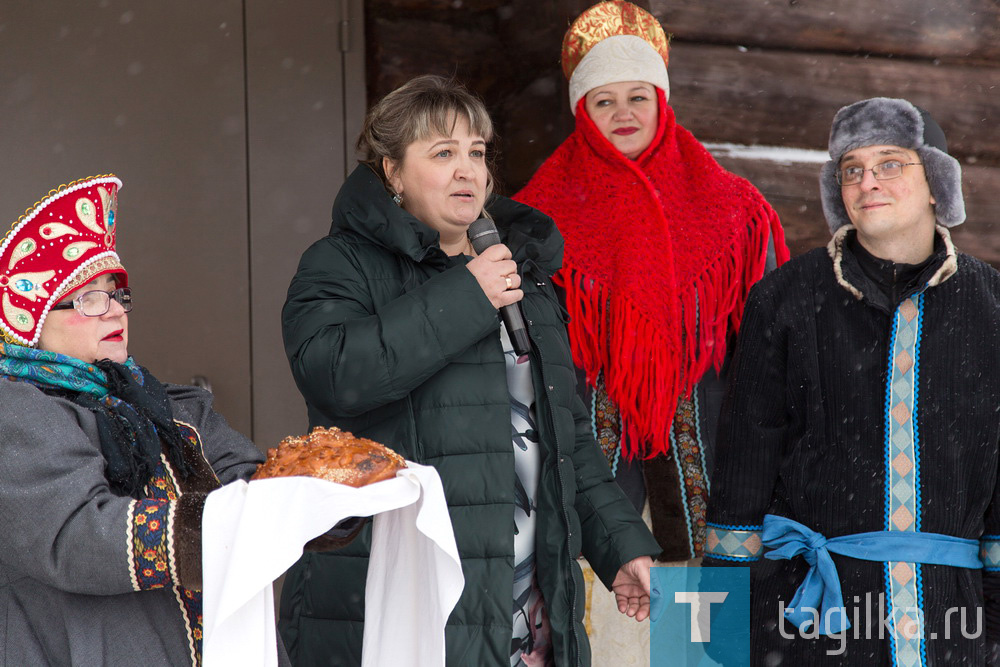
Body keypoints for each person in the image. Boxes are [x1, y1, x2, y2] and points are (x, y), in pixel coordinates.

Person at [279, 74, 660, 666]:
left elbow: (565, 436)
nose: (468, 171)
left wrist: (620, 545)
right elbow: (335, 375)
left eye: (477, 153)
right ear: (392, 173)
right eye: (443, 153)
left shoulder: (521, 272)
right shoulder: (340, 264)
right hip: (399, 602)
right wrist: (469, 296)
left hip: (524, 609)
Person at [704, 97, 1000, 664]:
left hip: (951, 619)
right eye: (852, 170)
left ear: (937, 183)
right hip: (809, 615)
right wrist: (724, 618)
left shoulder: (990, 306)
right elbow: (746, 458)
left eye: (890, 163)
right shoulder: (786, 299)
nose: (869, 181)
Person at [515, 0, 789, 562]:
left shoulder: (735, 210)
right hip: (583, 471)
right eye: (604, 100)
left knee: (703, 639)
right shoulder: (533, 219)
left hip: (715, 470)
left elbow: (772, 352)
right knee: (604, 637)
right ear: (581, 111)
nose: (624, 113)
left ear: (661, 101)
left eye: (637, 96)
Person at [0, 174, 298, 665]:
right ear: (31, 321)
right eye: (88, 298)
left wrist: (318, 497)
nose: (114, 310)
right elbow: (77, 536)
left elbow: (250, 482)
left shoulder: (169, 405)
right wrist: (224, 526)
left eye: (116, 294)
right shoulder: (18, 413)